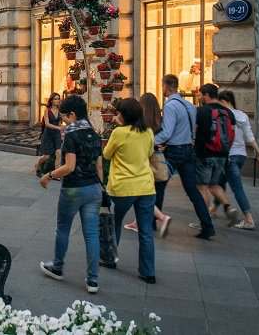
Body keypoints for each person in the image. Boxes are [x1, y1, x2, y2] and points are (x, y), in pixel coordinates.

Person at [38, 94, 103, 294]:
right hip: (94, 188)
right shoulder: (94, 133)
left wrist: (48, 175)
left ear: (73, 114)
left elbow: (69, 166)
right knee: (92, 234)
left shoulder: (72, 135)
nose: (64, 121)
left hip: (74, 189)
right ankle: (93, 280)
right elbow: (100, 166)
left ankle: (57, 267)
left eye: (65, 117)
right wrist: (102, 187)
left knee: (63, 229)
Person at [102, 98, 156, 284]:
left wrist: (115, 128)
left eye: (118, 113)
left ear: (124, 115)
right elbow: (149, 154)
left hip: (123, 187)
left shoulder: (119, 133)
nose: (116, 116)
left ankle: (110, 258)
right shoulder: (148, 131)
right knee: (146, 231)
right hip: (146, 187)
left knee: (114, 223)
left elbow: (106, 154)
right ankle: (148, 272)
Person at [155, 74, 215, 239]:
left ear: (166, 86)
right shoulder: (188, 106)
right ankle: (207, 226)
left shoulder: (170, 106)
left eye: (163, 86)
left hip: (174, 151)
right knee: (192, 190)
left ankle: (153, 221)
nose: (163, 89)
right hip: (188, 150)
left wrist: (151, 141)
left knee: (159, 184)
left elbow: (167, 132)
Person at [123, 93, 172, 236]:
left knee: (140, 193)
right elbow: (165, 138)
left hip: (144, 162)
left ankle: (154, 220)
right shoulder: (160, 121)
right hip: (160, 161)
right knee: (155, 193)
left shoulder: (141, 123)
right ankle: (151, 221)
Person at [193, 83, 239, 228]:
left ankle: (204, 221)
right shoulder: (228, 112)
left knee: (202, 187)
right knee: (214, 185)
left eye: (200, 94)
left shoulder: (201, 111)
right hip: (222, 154)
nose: (199, 97)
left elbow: (195, 132)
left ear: (206, 95)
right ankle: (229, 208)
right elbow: (232, 134)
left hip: (204, 154)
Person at [219, 89, 259, 230]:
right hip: (241, 156)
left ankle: (249, 219)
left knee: (236, 187)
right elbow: (250, 138)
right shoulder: (243, 116)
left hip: (230, 157)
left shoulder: (224, 116)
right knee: (218, 182)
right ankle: (212, 210)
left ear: (224, 101)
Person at [36, 93, 64, 176]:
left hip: (56, 135)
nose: (57, 100)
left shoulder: (60, 111)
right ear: (51, 101)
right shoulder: (47, 110)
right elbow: (47, 124)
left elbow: (60, 123)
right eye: (55, 99)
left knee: (58, 152)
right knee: (46, 156)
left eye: (58, 98)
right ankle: (38, 166)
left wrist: (62, 129)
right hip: (48, 135)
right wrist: (58, 128)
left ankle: (56, 173)